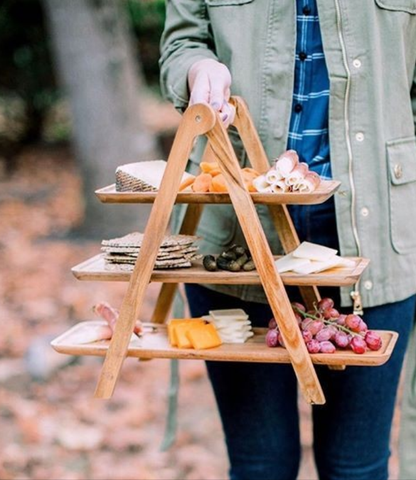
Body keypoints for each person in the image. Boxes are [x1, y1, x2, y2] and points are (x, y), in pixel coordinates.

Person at [159, 1, 416, 479]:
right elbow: (181, 42)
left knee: (356, 467)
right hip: (236, 229)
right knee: (261, 467)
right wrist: (198, 68)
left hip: (377, 229)